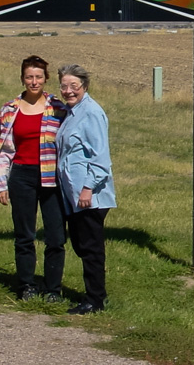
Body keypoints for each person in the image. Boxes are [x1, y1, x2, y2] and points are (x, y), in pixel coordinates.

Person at [0, 55, 67, 302]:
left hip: (51, 176)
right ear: (22, 79)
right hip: (22, 175)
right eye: (29, 77)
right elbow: (2, 150)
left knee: (55, 237)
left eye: (38, 77)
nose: (34, 82)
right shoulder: (9, 109)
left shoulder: (59, 108)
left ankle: (53, 289)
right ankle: (27, 285)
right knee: (24, 235)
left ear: (46, 79)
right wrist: (1, 184)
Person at [56, 64, 116, 315]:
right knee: (81, 245)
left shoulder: (91, 112)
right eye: (64, 86)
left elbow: (101, 158)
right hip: (72, 195)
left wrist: (87, 189)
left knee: (90, 248)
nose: (69, 91)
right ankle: (94, 294)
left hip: (90, 196)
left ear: (85, 86)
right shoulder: (72, 112)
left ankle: (95, 300)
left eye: (74, 86)